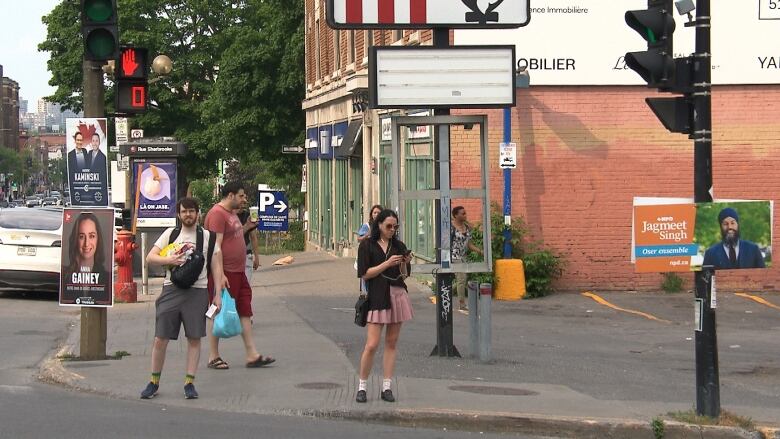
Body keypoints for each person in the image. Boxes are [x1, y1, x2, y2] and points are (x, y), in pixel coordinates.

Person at [139, 197, 223, 400]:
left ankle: (189, 382)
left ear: (198, 213)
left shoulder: (208, 237)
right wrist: (170, 259)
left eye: (192, 211)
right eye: (184, 211)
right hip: (171, 289)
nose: (188, 215)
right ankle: (154, 381)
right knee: (161, 338)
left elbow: (216, 265)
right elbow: (151, 257)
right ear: (178, 214)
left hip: (198, 291)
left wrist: (217, 294)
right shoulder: (171, 234)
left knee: (194, 338)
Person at [204, 181, 275, 370]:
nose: (244, 199)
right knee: (217, 309)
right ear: (230, 196)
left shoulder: (232, 214)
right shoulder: (217, 214)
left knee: (245, 309)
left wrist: (247, 227)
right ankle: (213, 356)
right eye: (241, 196)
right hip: (225, 272)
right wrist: (219, 275)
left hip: (239, 271)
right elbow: (215, 246)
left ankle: (252, 354)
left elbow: (234, 235)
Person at [355, 209, 414, 403]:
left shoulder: (399, 245)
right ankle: (362, 386)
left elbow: (404, 276)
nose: (392, 230)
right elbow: (365, 273)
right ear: (378, 225)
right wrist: (387, 263)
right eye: (388, 226)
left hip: (397, 294)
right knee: (371, 344)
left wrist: (404, 263)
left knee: (391, 343)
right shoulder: (367, 245)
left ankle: (386, 386)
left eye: (395, 226)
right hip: (377, 296)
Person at [63, 212, 109, 293]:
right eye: (81, 237)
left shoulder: (106, 278)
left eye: (91, 236)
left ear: (98, 239)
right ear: (75, 239)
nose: (86, 243)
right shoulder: (65, 277)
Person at [451, 206, 483, 314]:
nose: (465, 215)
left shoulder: (467, 227)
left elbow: (469, 244)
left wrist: (479, 251)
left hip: (463, 256)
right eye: (463, 213)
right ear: (456, 215)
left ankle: (447, 289)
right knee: (462, 278)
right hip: (454, 256)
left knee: (461, 279)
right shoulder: (451, 227)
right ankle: (462, 304)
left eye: (465, 213)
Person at [355, 204, 382, 292]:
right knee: (366, 275)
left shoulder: (385, 225)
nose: (376, 214)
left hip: (380, 254)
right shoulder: (366, 226)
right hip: (368, 254)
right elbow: (359, 239)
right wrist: (368, 234)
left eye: (378, 212)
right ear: (371, 214)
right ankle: (366, 294)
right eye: (374, 213)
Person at [236, 197, 261, 282]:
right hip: (233, 256)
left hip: (246, 254)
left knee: (245, 286)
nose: (243, 204)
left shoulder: (247, 216)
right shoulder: (229, 216)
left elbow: (253, 237)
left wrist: (256, 257)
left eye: (244, 204)